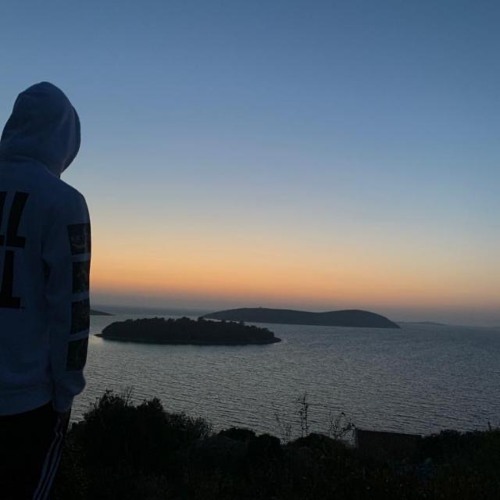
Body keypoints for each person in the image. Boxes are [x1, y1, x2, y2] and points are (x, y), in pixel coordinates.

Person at [0, 82, 91, 499]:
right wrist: (65, 395)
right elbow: (71, 309)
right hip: (26, 403)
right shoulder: (63, 202)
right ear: (65, 138)